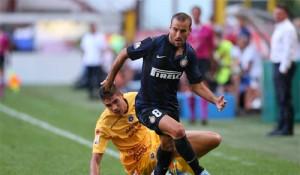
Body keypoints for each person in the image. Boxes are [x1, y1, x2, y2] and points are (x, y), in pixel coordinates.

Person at [102, 12, 226, 175]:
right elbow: (125, 53)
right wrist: (110, 80)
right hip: (147, 106)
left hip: (170, 106)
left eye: (182, 31)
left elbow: (196, 85)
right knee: (178, 131)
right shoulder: (153, 44)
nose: (177, 34)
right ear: (170, 28)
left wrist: (215, 100)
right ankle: (199, 172)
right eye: (175, 29)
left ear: (189, 31)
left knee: (167, 145)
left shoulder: (189, 54)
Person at [90, 85, 222, 175]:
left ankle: (176, 168)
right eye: (108, 105)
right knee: (172, 144)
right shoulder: (104, 125)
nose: (114, 108)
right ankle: (177, 169)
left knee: (214, 139)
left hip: (159, 144)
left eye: (115, 101)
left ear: (120, 94)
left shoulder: (136, 98)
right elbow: (95, 159)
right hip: (139, 164)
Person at [268, 4, 298, 136]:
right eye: (275, 13)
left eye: (279, 13)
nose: (276, 15)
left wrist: (283, 68)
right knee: (280, 97)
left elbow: (288, 49)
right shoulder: (279, 27)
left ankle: (287, 127)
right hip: (277, 63)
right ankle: (281, 125)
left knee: (285, 97)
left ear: (285, 14)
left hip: (283, 65)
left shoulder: (288, 29)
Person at [188, 6, 215, 125]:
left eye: (197, 13)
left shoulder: (207, 29)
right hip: (189, 59)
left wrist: (213, 63)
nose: (196, 15)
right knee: (190, 86)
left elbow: (211, 47)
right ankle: (192, 115)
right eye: (194, 13)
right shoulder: (187, 29)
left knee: (203, 85)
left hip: (203, 60)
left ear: (200, 14)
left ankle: (204, 116)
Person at [80, 23, 108, 99]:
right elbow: (83, 49)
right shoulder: (86, 37)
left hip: (97, 61)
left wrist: (103, 59)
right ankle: (91, 94)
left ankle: (99, 94)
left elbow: (103, 48)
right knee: (89, 79)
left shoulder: (100, 36)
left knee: (98, 79)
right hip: (88, 61)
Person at [0, 27, 10, 98]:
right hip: (2, 55)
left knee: (2, 73)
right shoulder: (4, 37)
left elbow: (7, 49)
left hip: (1, 56)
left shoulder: (5, 38)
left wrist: (8, 58)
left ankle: (2, 92)